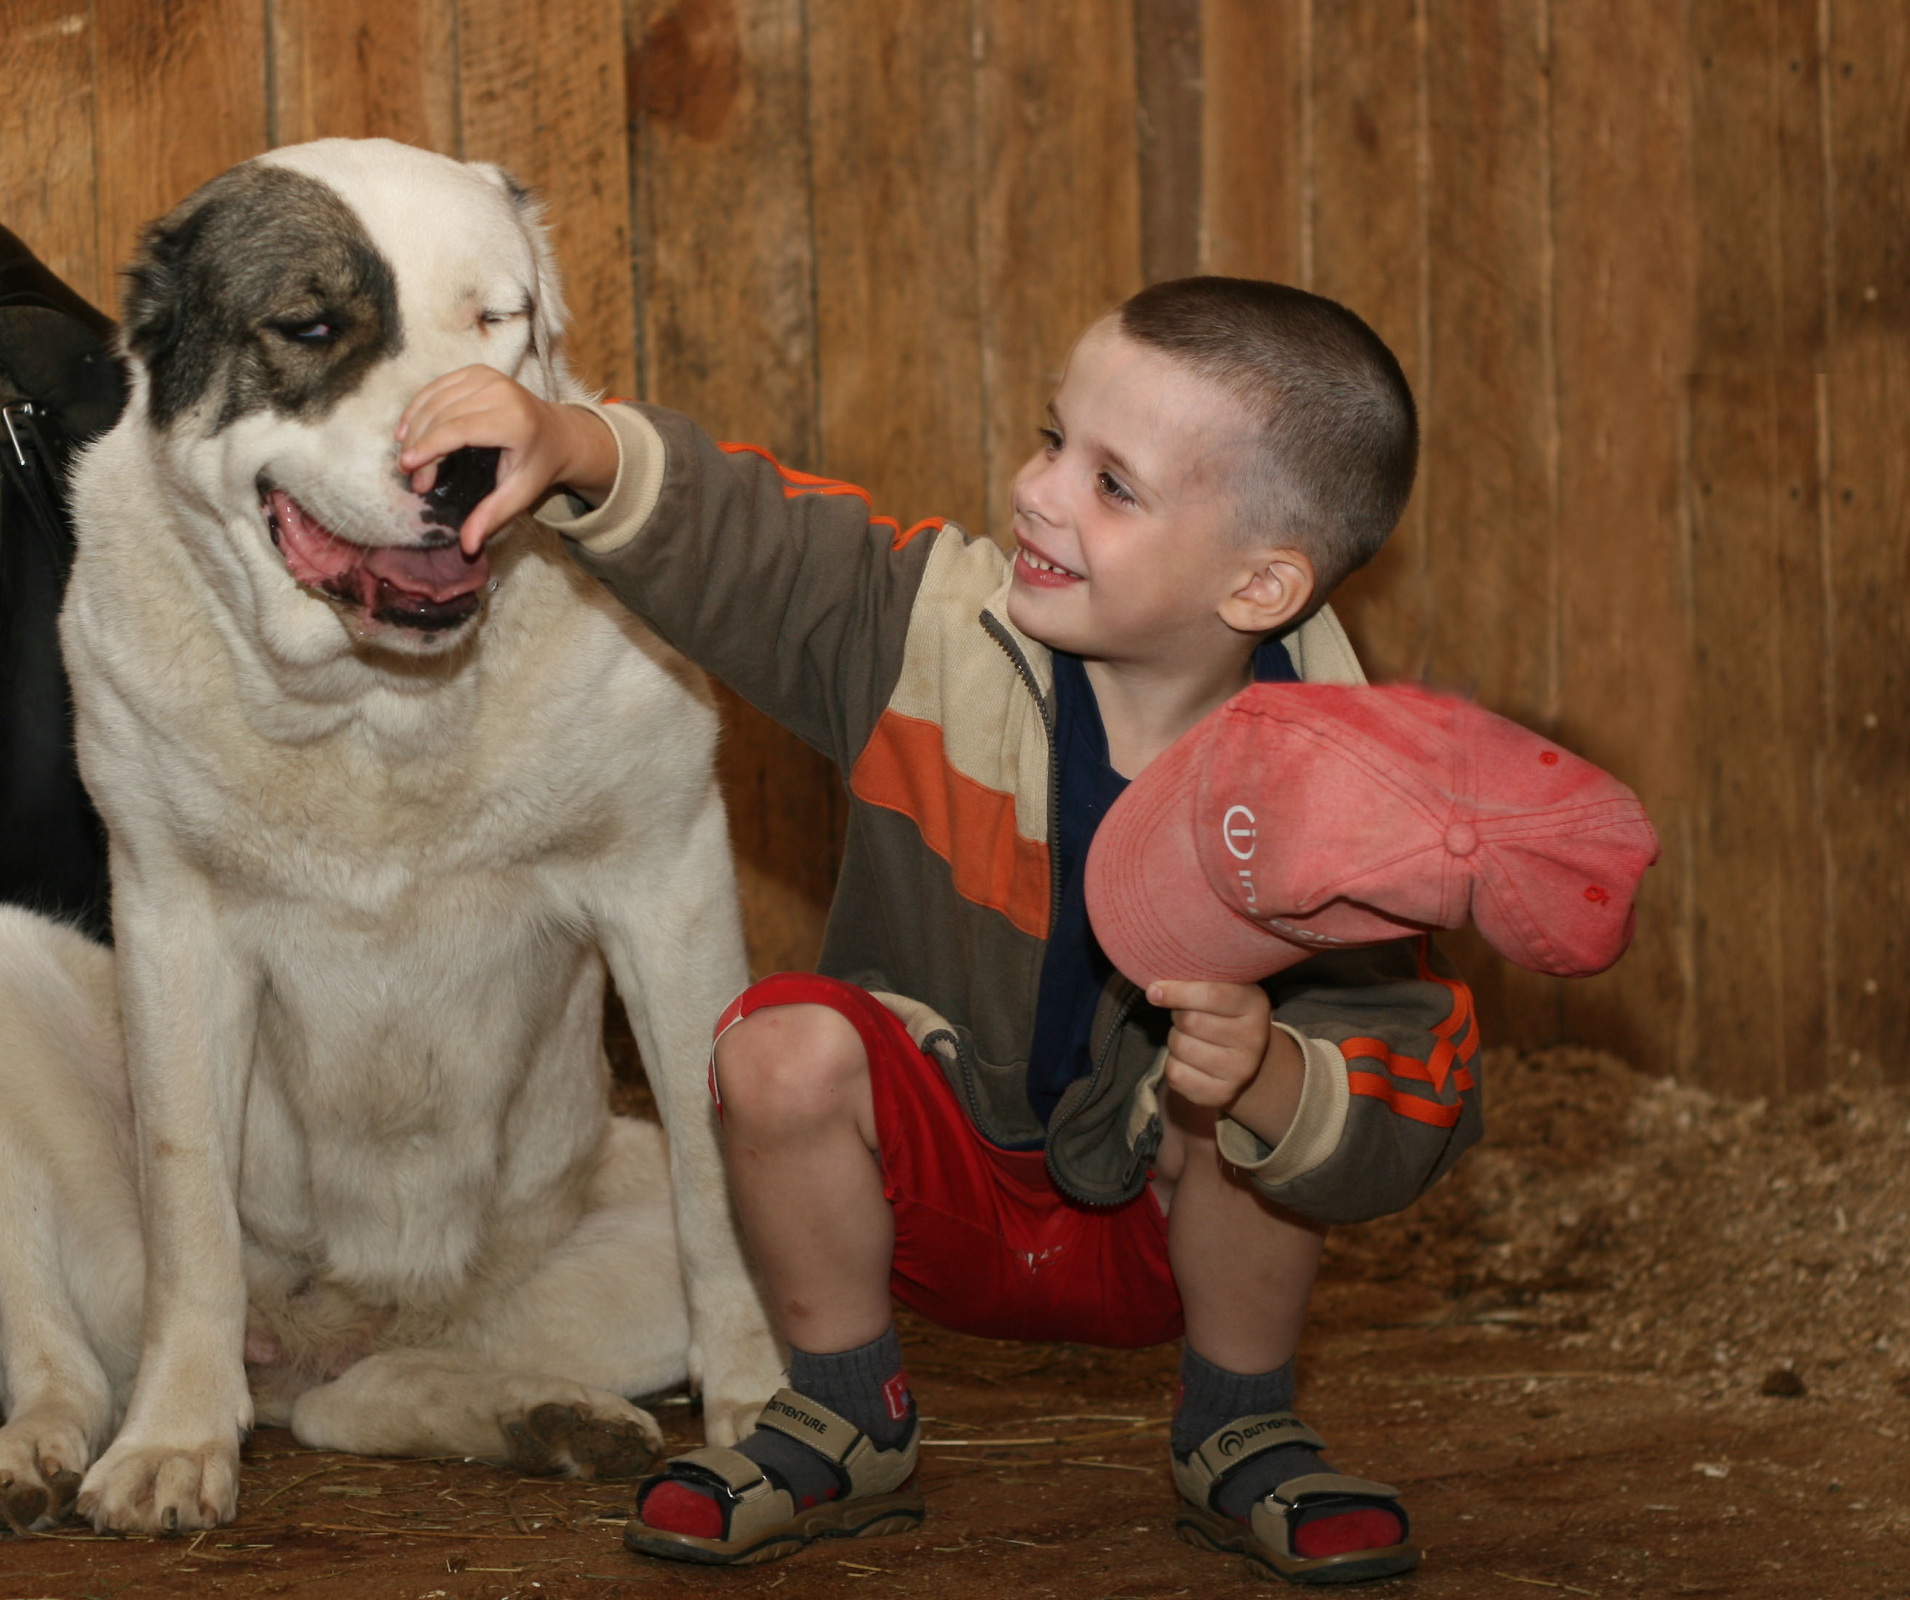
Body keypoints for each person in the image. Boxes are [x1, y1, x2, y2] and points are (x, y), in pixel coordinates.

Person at [396, 277, 1473, 1585]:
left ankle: (1240, 1429)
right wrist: (572, 443)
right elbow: (759, 542)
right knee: (775, 1046)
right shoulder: (931, 637)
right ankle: (846, 1417)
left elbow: (1421, 1084)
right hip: (937, 1197)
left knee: (1253, 1100)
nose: (1038, 492)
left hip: (1166, 1219)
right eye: (1048, 438)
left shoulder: (1341, 802)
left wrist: (1277, 1073)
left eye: (1112, 485)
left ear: (1261, 582)